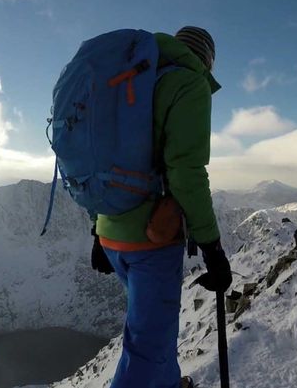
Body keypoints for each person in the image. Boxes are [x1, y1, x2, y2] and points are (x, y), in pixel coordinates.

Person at [93, 26, 233, 388]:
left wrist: (97, 227)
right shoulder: (189, 84)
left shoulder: (134, 81)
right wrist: (212, 246)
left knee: (154, 333)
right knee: (147, 349)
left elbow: (107, 157)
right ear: (207, 60)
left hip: (111, 232)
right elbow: (186, 173)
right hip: (151, 239)